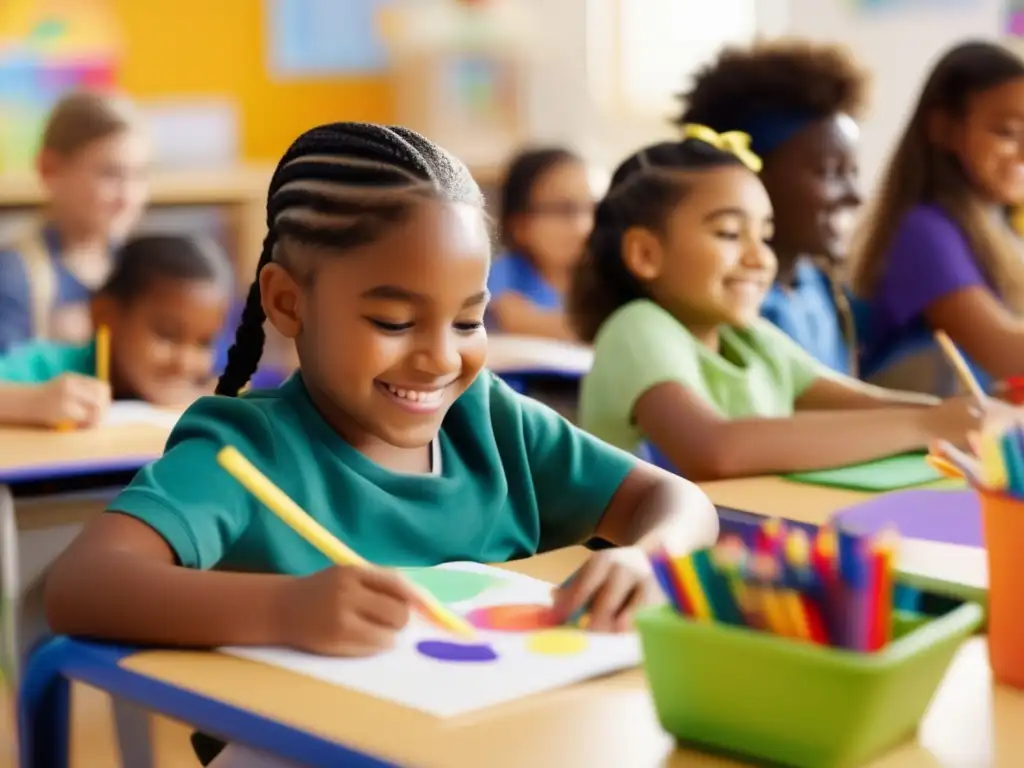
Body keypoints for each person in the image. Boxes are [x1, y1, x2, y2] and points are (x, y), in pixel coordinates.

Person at [42, 123, 719, 768]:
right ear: (287, 303)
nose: (438, 358)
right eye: (394, 320)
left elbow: (676, 501)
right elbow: (81, 586)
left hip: (501, 738)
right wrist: (285, 609)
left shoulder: (488, 419)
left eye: (467, 319)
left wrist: (644, 561)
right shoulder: (246, 451)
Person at [570, 134, 991, 481]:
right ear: (645, 253)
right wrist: (928, 426)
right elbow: (716, 449)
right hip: (642, 572)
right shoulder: (635, 329)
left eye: (765, 236)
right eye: (730, 233)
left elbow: (868, 403)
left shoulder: (750, 337)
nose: (761, 259)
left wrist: (967, 416)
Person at [677, 40, 867, 375]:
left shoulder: (820, 287)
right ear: (747, 175)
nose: (855, 195)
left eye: (852, 172)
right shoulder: (719, 306)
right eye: (829, 172)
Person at [852, 41, 1024, 396]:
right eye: (1007, 132)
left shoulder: (1000, 229)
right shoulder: (924, 231)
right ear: (943, 129)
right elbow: (1005, 353)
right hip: (922, 446)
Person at [0, 234, 232, 427]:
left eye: (204, 342)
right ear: (104, 315)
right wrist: (33, 402)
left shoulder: (206, 394)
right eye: (167, 335)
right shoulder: (48, 370)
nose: (186, 362)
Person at [0, 90, 149, 354]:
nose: (128, 197)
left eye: (139, 175)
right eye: (110, 174)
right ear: (50, 169)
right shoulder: (15, 275)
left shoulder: (145, 269)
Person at [486, 147, 594, 339]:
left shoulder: (601, 276)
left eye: (590, 207)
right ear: (519, 225)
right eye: (564, 209)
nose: (584, 225)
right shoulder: (504, 274)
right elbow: (515, 320)